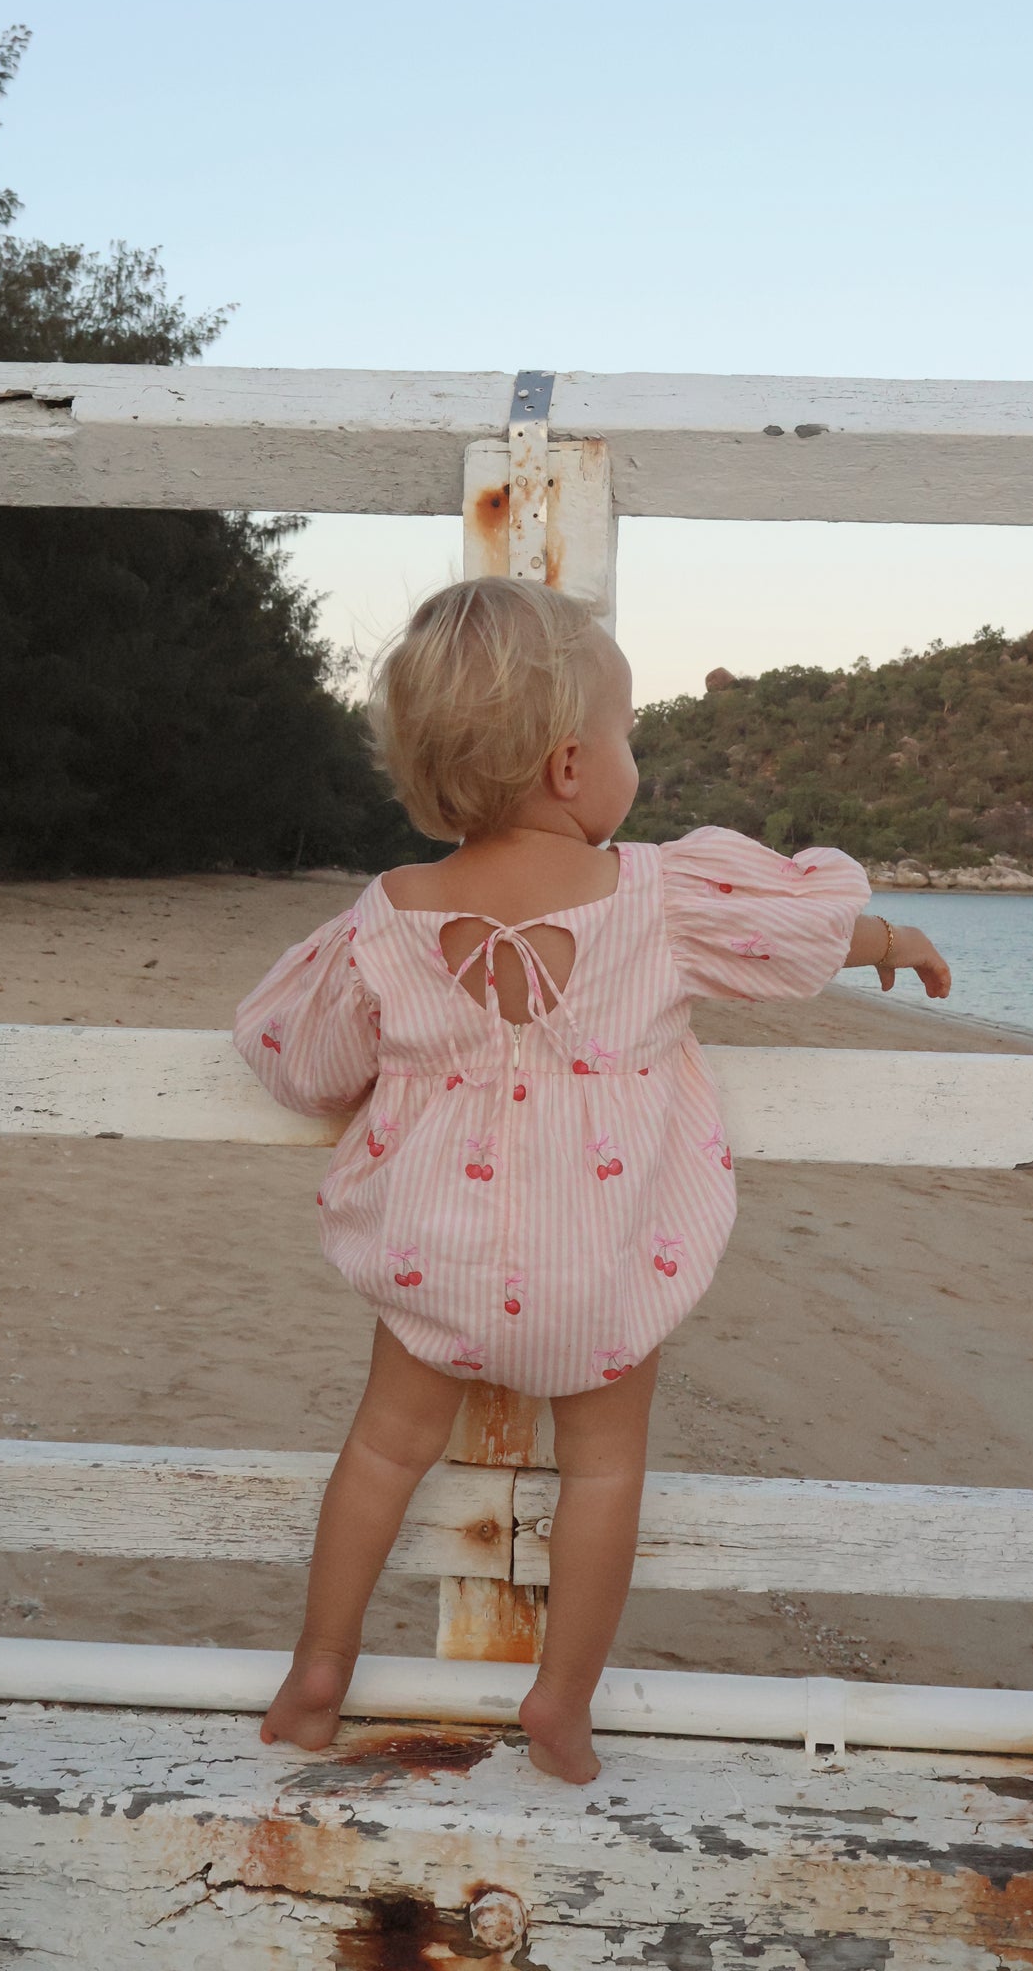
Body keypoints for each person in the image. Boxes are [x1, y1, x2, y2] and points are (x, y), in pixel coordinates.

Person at [232, 576, 951, 1784]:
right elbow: (801, 935)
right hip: (602, 1265)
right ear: (571, 765)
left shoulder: (386, 917)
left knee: (384, 1450)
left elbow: (304, 1065)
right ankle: (561, 1700)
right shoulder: (658, 897)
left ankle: (318, 1666)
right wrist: (897, 938)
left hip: (432, 1257)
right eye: (626, 734)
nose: (633, 761)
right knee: (605, 1467)